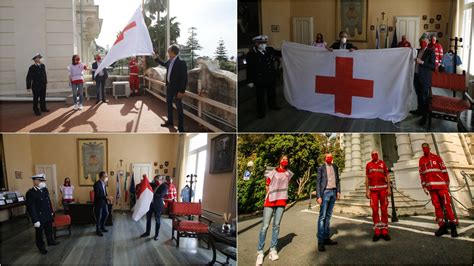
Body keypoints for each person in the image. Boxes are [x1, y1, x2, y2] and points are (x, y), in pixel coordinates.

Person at [256, 155, 293, 265]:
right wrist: (270, 194)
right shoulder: (272, 172)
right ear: (279, 160)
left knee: (276, 226)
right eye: (283, 159)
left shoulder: (288, 173)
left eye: (287, 159)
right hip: (270, 200)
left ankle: (273, 250)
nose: (285, 161)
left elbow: (287, 185)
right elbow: (267, 184)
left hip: (281, 201)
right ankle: (260, 252)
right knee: (265, 226)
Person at [418, 143, 458, 237]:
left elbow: (444, 170)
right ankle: (442, 226)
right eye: (423, 148)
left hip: (441, 186)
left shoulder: (437, 158)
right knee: (437, 207)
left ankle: (453, 227)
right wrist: (424, 186)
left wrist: (447, 183)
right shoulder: (421, 160)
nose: (425, 149)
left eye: (426, 148)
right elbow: (422, 173)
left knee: (447, 205)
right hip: (431, 188)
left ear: (429, 148)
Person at [246, 35, 282, 119]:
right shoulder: (251, 54)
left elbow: (281, 53)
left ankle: (272, 105)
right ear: (256, 43)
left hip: (271, 76)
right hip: (259, 79)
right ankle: (261, 112)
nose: (263, 45)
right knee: (260, 96)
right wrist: (249, 81)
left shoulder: (270, 50)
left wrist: (286, 47)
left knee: (272, 93)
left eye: (265, 43)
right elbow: (249, 68)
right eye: (261, 43)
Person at [154, 44, 188, 132]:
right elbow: (163, 64)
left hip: (177, 90)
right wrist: (156, 58)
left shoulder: (181, 62)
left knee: (179, 109)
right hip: (169, 88)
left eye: (168, 51)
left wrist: (182, 91)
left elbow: (184, 78)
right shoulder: (169, 61)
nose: (167, 52)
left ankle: (181, 128)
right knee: (169, 106)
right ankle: (170, 122)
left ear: (172, 52)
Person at [26, 174, 60, 254]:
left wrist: (51, 211)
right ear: (34, 181)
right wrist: (35, 220)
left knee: (49, 229)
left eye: (43, 180)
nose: (42, 182)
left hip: (47, 214)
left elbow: (48, 201)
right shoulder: (31, 193)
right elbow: (31, 208)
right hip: (39, 216)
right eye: (40, 180)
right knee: (39, 233)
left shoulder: (45, 190)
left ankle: (50, 241)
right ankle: (41, 247)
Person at [365, 151, 391, 242]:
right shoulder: (368, 165)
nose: (374, 155)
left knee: (384, 209)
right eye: (373, 154)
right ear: (371, 155)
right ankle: (377, 231)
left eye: (376, 154)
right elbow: (367, 178)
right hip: (373, 191)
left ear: (378, 155)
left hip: (383, 189)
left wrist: (389, 188)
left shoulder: (383, 164)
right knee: (375, 210)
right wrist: (367, 190)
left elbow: (387, 175)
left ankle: (384, 231)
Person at [316, 153, 340, 252]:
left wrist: (338, 191)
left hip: (333, 192)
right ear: (325, 158)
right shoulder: (321, 168)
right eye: (327, 157)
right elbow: (318, 182)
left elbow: (338, 180)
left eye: (330, 156)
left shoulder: (335, 166)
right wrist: (318, 196)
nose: (329, 158)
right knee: (322, 217)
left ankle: (326, 238)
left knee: (328, 216)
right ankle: (320, 241)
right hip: (325, 192)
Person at [411, 33, 435, 126]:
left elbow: (433, 66)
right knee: (418, 95)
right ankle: (419, 110)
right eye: (421, 42)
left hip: (425, 79)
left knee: (424, 98)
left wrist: (422, 62)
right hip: (416, 76)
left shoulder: (430, 52)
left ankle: (424, 117)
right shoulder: (416, 51)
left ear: (427, 42)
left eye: (424, 42)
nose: (423, 43)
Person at [140, 176, 169, 241]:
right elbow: (147, 183)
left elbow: (161, 195)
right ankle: (147, 232)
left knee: (157, 220)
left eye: (157, 180)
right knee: (148, 219)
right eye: (155, 180)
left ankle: (156, 235)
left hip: (158, 205)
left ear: (162, 180)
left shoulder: (165, 186)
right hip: (150, 205)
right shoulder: (154, 184)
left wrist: (151, 194)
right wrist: (145, 178)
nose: (156, 181)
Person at [93, 171, 112, 236]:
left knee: (106, 214)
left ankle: (102, 227)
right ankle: (98, 230)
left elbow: (104, 193)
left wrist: (108, 198)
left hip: (104, 203)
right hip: (98, 203)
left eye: (106, 176)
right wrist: (106, 197)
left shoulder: (104, 184)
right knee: (99, 217)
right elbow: (98, 195)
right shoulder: (96, 184)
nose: (107, 177)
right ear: (101, 177)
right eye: (105, 176)